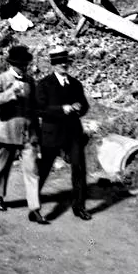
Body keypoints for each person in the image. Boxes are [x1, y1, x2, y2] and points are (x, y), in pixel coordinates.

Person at [0, 46, 45, 223]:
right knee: (3, 168)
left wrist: (37, 134)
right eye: (20, 64)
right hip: (7, 131)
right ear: (12, 64)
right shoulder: (1, 79)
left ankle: (34, 208)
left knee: (32, 170)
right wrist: (11, 92)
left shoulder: (30, 81)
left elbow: (35, 108)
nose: (23, 67)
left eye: (26, 64)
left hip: (28, 133)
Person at [35, 48, 92, 219]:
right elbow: (40, 109)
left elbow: (85, 105)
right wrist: (62, 109)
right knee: (44, 169)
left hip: (73, 133)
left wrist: (79, 108)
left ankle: (79, 206)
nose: (64, 65)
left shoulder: (76, 84)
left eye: (66, 62)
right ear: (53, 65)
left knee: (79, 169)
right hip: (52, 134)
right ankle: (34, 203)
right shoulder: (44, 84)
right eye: (60, 63)